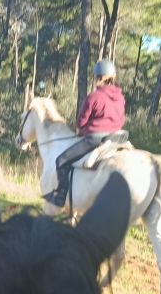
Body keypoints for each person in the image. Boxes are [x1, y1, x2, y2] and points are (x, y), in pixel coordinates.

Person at [49, 59, 126, 207]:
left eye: (96, 77)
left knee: (61, 160)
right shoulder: (121, 97)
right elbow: (121, 119)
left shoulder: (94, 96)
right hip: (116, 137)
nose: (94, 79)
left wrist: (79, 130)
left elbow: (82, 119)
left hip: (96, 138)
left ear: (100, 77)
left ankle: (60, 197)